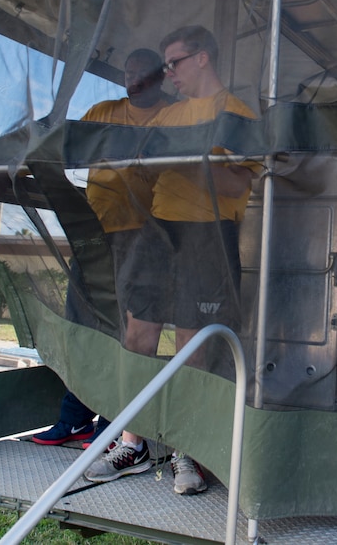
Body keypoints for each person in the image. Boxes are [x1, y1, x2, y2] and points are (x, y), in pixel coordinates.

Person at [84, 25, 259, 496]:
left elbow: (239, 185)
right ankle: (132, 443)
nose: (168, 75)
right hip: (157, 230)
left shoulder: (236, 112)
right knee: (137, 335)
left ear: (202, 58)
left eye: (174, 64)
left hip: (209, 235)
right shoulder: (170, 114)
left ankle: (188, 449)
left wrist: (188, 161)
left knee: (191, 346)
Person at [31, 48, 170, 450]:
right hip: (92, 234)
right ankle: (75, 419)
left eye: (142, 73)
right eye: (128, 72)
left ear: (159, 77)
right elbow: (66, 144)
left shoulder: (169, 119)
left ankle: (114, 423)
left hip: (143, 238)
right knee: (82, 327)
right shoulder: (104, 111)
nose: (133, 79)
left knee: (124, 334)